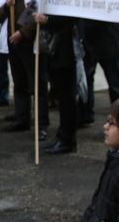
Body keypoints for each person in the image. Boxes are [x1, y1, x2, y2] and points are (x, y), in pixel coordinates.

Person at [0, 0, 49, 140]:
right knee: (19, 84)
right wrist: (6, 6)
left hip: (30, 43)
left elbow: (37, 16)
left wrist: (22, 33)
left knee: (37, 85)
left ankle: (41, 124)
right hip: (12, 44)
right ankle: (21, 118)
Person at [35, 13, 80, 154]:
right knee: (62, 95)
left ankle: (67, 139)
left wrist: (48, 20)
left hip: (67, 49)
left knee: (67, 97)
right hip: (57, 47)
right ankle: (62, 135)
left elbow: (71, 16)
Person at [80, 99, 119, 221]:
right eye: (108, 121)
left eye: (112, 123)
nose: (105, 126)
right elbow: (100, 202)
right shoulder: (114, 158)